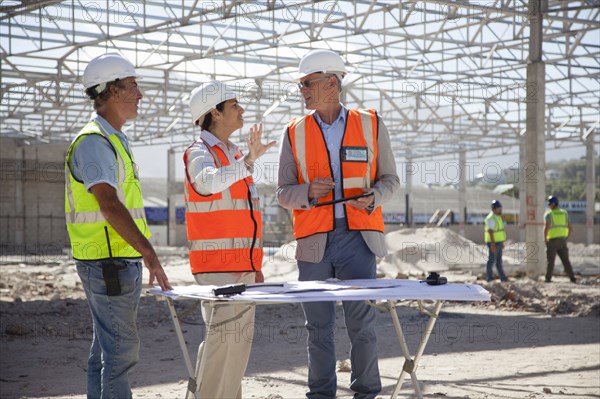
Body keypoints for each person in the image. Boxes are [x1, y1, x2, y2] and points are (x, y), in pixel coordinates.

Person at [276, 49, 400, 399]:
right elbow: (283, 193)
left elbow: (391, 180)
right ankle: (321, 395)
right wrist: (307, 192)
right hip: (314, 241)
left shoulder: (371, 123)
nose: (302, 91)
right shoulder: (294, 131)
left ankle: (366, 393)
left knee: (362, 324)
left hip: (359, 240)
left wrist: (373, 196)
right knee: (318, 326)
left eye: (306, 83)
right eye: (301, 85)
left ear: (332, 83)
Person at [65, 53, 172, 399]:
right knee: (121, 352)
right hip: (108, 262)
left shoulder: (114, 138)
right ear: (113, 89)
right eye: (134, 85)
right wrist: (150, 252)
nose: (140, 94)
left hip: (113, 259)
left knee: (106, 350)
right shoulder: (95, 141)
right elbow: (109, 205)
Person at [183, 80, 276, 398]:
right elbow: (207, 184)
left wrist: (254, 265)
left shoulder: (233, 155)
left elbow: (244, 218)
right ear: (215, 113)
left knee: (233, 351)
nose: (242, 110)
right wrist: (248, 162)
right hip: (218, 269)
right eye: (234, 104)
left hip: (242, 268)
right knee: (222, 347)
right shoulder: (199, 152)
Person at [544, 195, 576, 283]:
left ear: (553, 204)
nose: (549, 205)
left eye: (550, 203)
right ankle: (572, 277)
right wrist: (566, 237)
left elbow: (546, 228)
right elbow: (570, 228)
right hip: (562, 240)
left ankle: (548, 278)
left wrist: (545, 239)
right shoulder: (564, 213)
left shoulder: (549, 214)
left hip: (552, 241)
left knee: (550, 261)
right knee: (566, 260)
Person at [484, 200, 509, 282]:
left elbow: (500, 231)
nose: (500, 210)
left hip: (498, 242)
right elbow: (490, 231)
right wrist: (492, 244)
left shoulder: (497, 217)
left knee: (498, 260)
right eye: (499, 208)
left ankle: (503, 277)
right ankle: (489, 277)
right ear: (494, 209)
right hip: (493, 242)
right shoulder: (491, 218)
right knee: (491, 260)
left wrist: (502, 242)